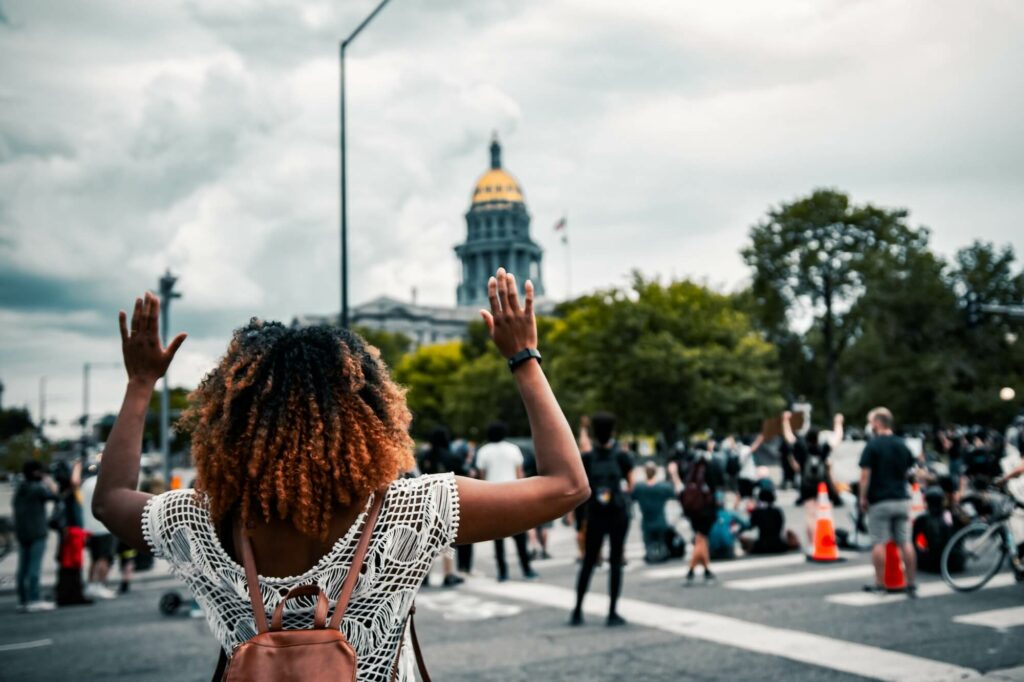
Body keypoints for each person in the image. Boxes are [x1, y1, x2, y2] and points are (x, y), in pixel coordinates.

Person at [92, 271, 589, 679]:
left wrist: (140, 385)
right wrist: (523, 358)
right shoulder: (413, 510)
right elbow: (568, 485)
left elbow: (110, 498)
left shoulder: (200, 522)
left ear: (231, 422)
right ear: (366, 414)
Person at [571, 412, 634, 626]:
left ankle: (578, 610)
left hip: (595, 514)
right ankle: (612, 611)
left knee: (588, 561)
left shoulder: (588, 458)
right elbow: (631, 484)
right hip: (617, 514)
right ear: (613, 432)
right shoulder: (622, 456)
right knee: (615, 562)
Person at [859, 407, 918, 597]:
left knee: (878, 542)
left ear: (877, 423)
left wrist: (862, 497)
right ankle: (911, 583)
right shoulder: (902, 444)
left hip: (880, 500)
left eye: (871, 422)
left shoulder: (873, 446)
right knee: (905, 542)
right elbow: (911, 471)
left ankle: (880, 583)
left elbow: (865, 476)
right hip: (901, 498)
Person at [476, 421, 538, 582]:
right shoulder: (513, 449)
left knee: (498, 538)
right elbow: (520, 474)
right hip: (513, 495)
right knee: (520, 536)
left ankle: (502, 572)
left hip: (492, 497)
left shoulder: (484, 451)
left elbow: (482, 476)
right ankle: (527, 569)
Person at [783, 412, 844, 547]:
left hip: (807, 484)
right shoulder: (823, 448)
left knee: (810, 514)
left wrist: (786, 421)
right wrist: (838, 423)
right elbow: (837, 437)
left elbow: (789, 436)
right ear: (818, 437)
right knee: (826, 513)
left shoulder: (802, 447)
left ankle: (813, 543)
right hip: (822, 484)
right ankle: (828, 538)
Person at [416, 427, 464, 587]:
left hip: (426, 501)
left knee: (427, 540)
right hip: (448, 501)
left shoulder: (424, 456)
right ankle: (448, 573)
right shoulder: (452, 457)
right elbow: (461, 477)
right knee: (448, 540)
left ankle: (424, 575)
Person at [12, 461, 58, 613]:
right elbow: (56, 495)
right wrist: (48, 481)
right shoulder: (38, 489)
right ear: (36, 473)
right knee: (34, 568)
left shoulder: (20, 489)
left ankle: (23, 600)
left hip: (22, 532)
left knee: (22, 569)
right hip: (37, 532)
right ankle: (35, 599)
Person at [680, 445, 724, 585]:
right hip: (706, 507)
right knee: (701, 539)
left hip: (692, 507)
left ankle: (706, 570)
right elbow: (719, 482)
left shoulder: (689, 464)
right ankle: (691, 571)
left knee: (701, 539)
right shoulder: (710, 464)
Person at [53, 459, 92, 607]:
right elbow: (75, 482)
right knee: (73, 564)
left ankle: (66, 594)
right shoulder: (69, 488)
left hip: (69, 531)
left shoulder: (62, 489)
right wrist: (77, 465)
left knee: (68, 565)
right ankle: (73, 594)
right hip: (72, 531)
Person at [80, 466, 118, 600]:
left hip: (89, 527)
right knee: (104, 558)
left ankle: (90, 585)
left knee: (94, 558)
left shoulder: (85, 484)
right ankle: (100, 586)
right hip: (103, 527)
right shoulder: (104, 484)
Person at [631, 462, 678, 563]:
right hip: (661, 521)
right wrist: (673, 474)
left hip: (647, 523)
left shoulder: (639, 488)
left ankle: (651, 555)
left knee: (648, 546)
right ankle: (661, 554)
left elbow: (630, 494)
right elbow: (676, 492)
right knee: (662, 545)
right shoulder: (663, 487)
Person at [740, 488, 801, 555]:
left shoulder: (757, 511)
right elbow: (781, 525)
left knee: (744, 539)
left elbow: (750, 526)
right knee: (789, 532)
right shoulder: (778, 511)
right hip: (779, 545)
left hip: (762, 545)